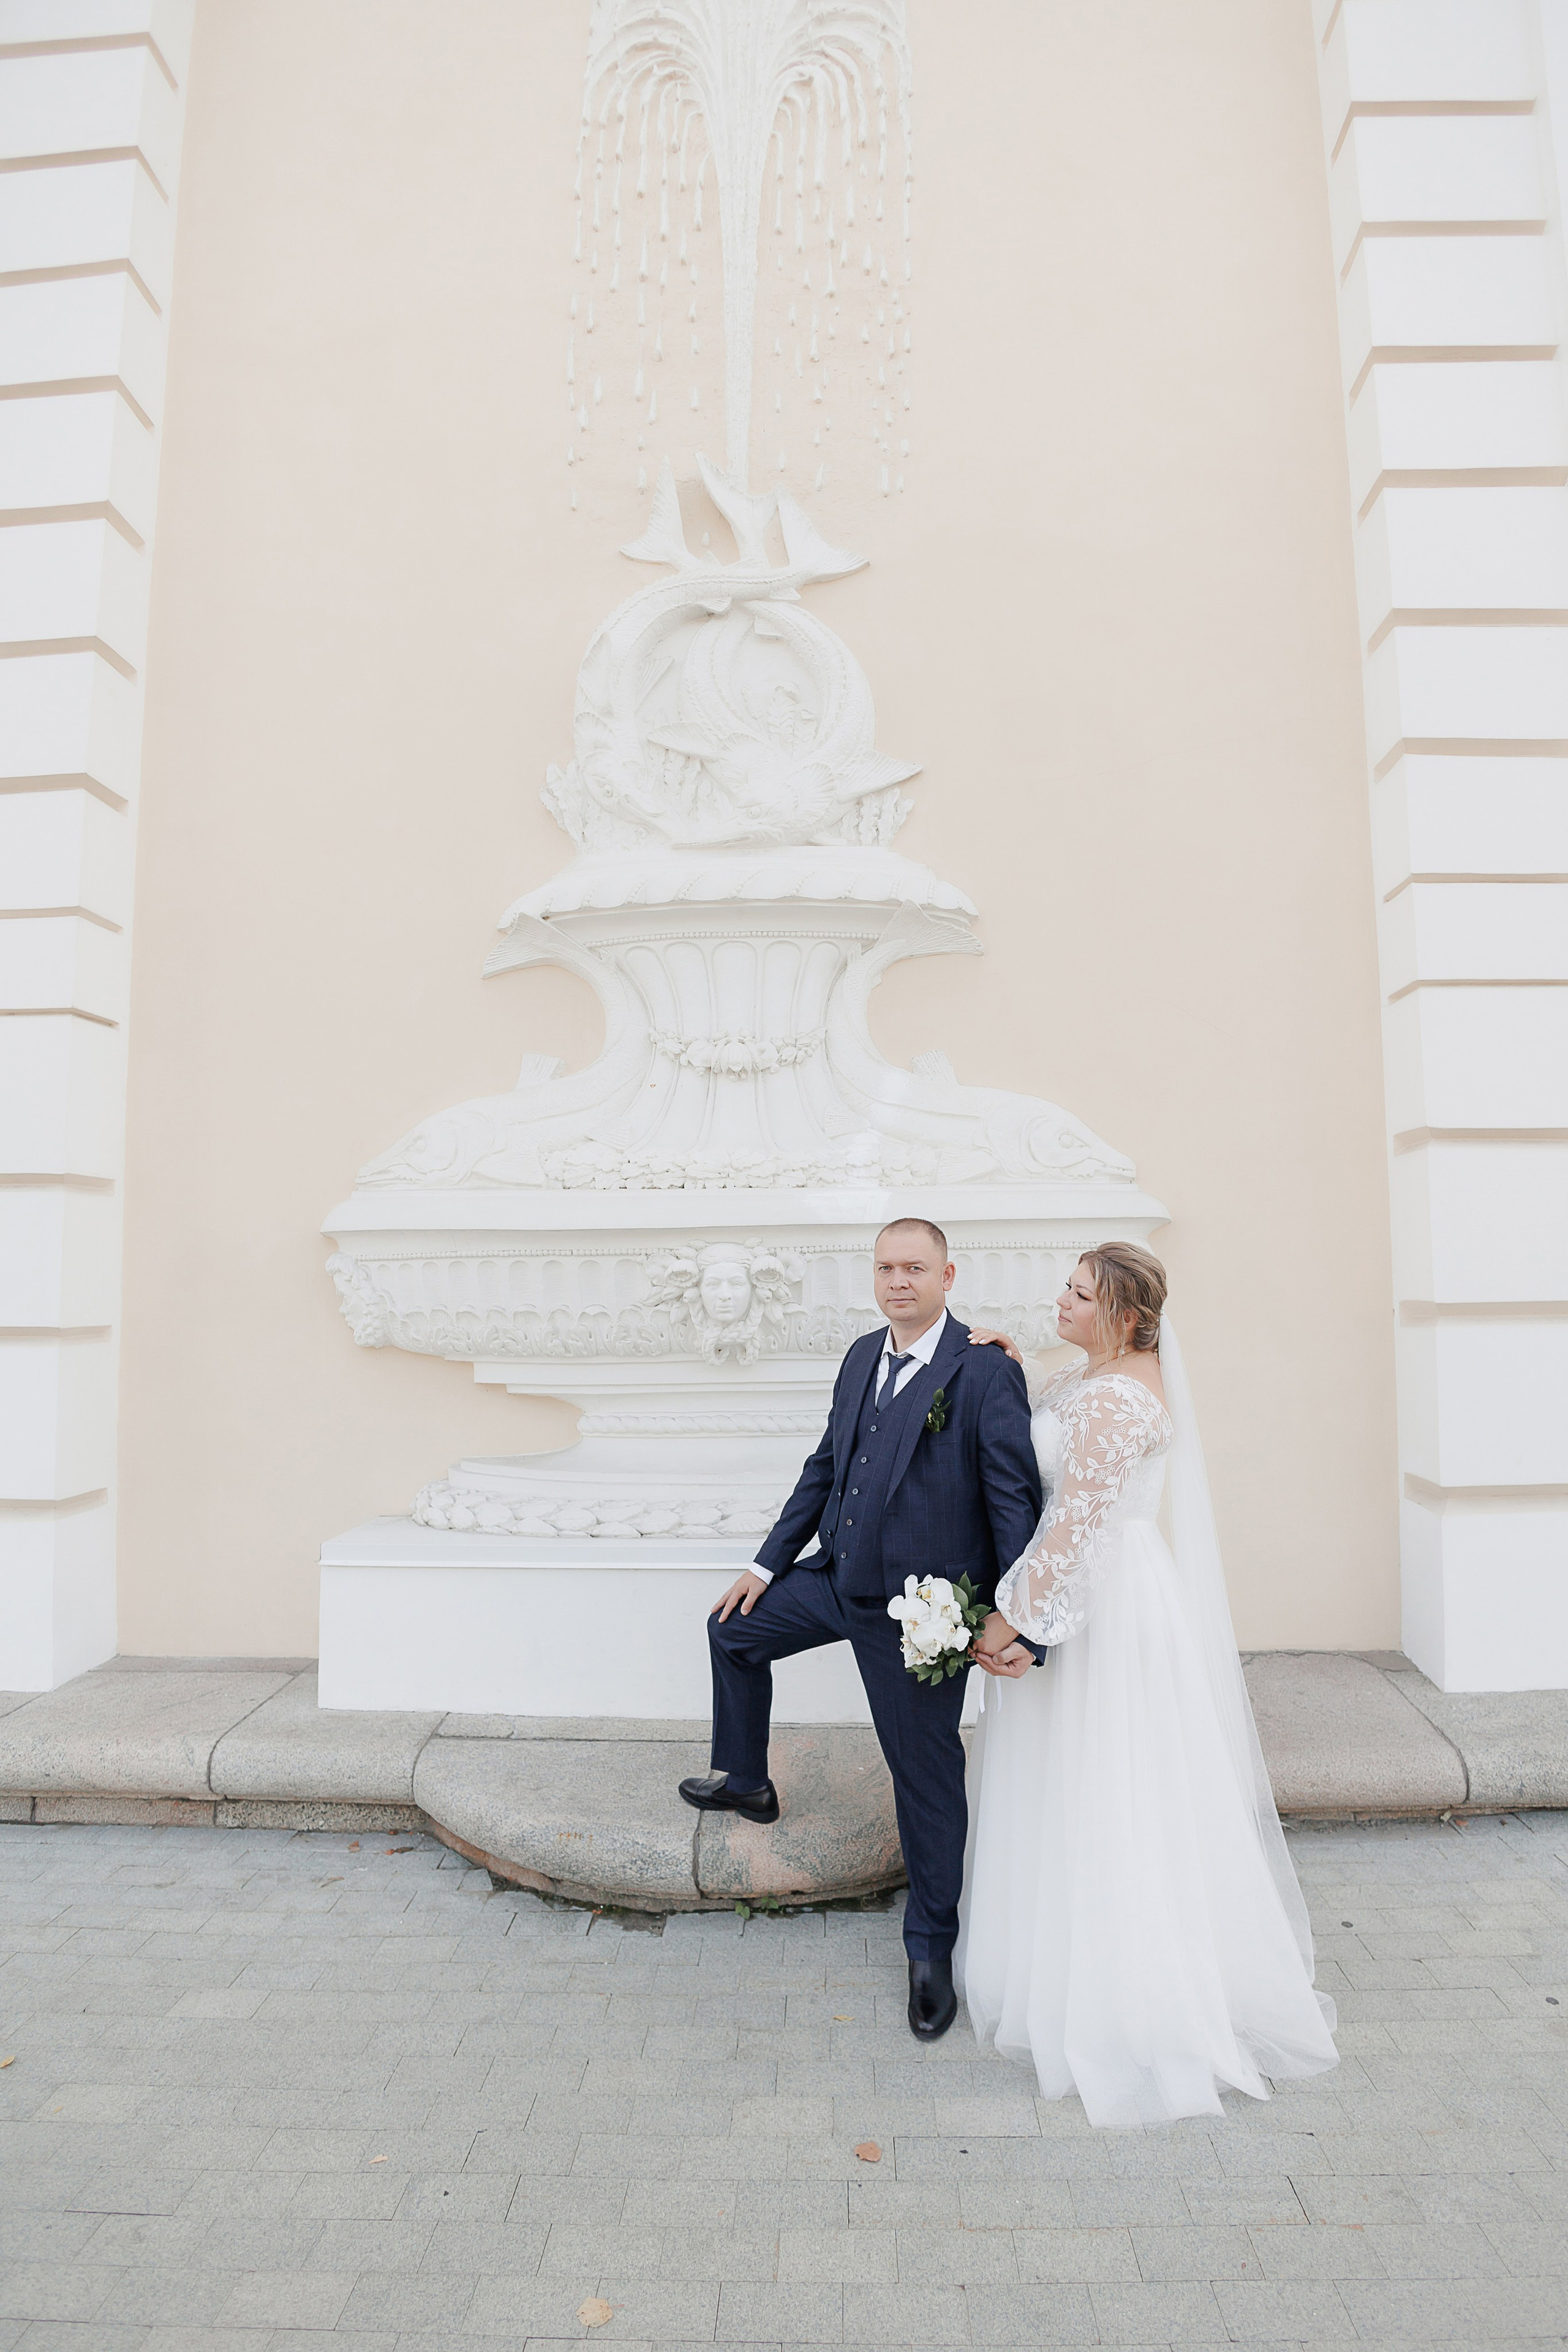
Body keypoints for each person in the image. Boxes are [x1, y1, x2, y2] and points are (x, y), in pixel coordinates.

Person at [959, 1243, 1340, 2127]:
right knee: (1071, 1781)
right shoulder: (1088, 1376)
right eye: (1066, 1286)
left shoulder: (1125, 1400)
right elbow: (1053, 1432)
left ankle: (1128, 1994)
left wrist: (1009, 1622)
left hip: (1109, 1606)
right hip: (1085, 1590)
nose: (1061, 1300)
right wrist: (1017, 1358)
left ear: (1125, 1317)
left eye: (1078, 1294)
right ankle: (1056, 1960)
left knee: (1114, 1785)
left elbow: (1076, 1527)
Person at [677, 1217, 1042, 2040]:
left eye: (916, 1267)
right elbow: (827, 1468)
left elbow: (1014, 1501)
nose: (899, 1281)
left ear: (950, 1276)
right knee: (733, 1630)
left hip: (923, 1614)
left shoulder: (983, 1372)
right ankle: (746, 1778)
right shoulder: (858, 1356)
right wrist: (768, 1566)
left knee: (925, 1779)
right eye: (886, 1268)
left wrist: (1020, 1619)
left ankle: (931, 1950)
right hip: (838, 1581)